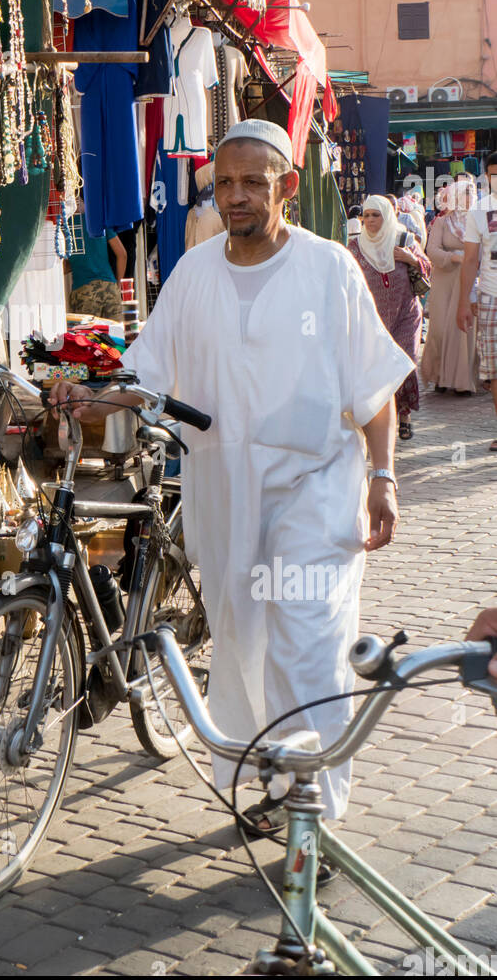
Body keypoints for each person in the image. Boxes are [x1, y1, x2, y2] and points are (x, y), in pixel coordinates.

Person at [49, 118, 413, 829]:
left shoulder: (327, 270)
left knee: (307, 645)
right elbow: (147, 371)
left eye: (253, 182)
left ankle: (315, 815)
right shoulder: (193, 275)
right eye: (225, 184)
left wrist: (383, 477)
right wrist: (88, 392)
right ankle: (277, 785)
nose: (237, 196)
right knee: (245, 648)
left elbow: (374, 388)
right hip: (224, 496)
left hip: (316, 490)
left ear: (286, 187)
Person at [349, 195, 431, 441]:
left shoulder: (404, 239)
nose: (371, 220)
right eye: (367, 215)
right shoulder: (355, 247)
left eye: (377, 215)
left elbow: (427, 267)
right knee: (379, 368)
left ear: (388, 216)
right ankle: (381, 419)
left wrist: (410, 258)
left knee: (404, 365)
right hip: (373, 318)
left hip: (406, 314)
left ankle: (404, 416)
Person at [421, 178, 477, 395]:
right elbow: (431, 251)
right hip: (445, 283)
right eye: (466, 193)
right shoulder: (442, 223)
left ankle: (463, 380)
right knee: (441, 330)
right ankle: (439, 375)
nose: (470, 197)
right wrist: (454, 257)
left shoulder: (478, 222)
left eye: (472, 193)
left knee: (464, 332)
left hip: (468, 282)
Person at [457, 151, 497, 450]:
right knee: (494, 371)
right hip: (490, 298)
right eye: (492, 174)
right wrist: (464, 301)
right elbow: (470, 260)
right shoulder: (478, 211)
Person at [66, 209, 126, 322]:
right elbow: (122, 255)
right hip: (110, 288)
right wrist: (118, 284)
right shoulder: (98, 220)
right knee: (116, 336)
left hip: (84, 291)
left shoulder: (65, 224)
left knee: (87, 337)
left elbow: (64, 266)